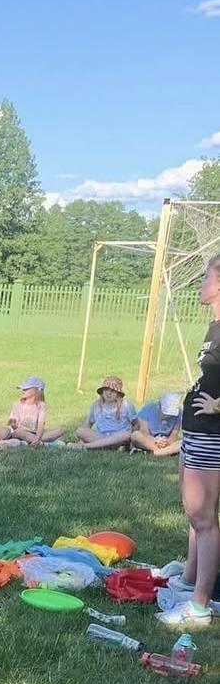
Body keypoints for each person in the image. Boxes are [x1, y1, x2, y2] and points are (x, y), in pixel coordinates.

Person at [161, 255, 220, 628]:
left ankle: (200, 605)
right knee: (194, 513)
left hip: (212, 436)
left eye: (205, 277)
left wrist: (218, 405)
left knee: (204, 518)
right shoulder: (214, 326)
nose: (200, 284)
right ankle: (189, 579)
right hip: (196, 432)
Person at [0, 377, 64, 447]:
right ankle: (43, 443)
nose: (23, 390)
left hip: (34, 432)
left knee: (60, 431)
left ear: (36, 391)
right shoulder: (17, 404)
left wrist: (38, 437)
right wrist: (13, 424)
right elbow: (12, 424)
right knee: (19, 432)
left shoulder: (41, 406)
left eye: (26, 389)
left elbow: (40, 425)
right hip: (19, 432)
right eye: (23, 389)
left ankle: (32, 442)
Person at [73, 378, 137, 451]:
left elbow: (135, 424)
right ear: (102, 391)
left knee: (126, 435)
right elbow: (88, 423)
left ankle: (86, 446)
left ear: (118, 393)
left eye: (113, 391)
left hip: (119, 437)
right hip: (100, 435)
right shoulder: (96, 405)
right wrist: (82, 438)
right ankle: (111, 446)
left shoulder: (126, 405)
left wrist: (132, 442)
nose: (109, 393)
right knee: (80, 431)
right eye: (106, 390)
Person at [132, 391, 182, 457]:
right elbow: (144, 433)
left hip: (167, 442)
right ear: (159, 406)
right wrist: (156, 440)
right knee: (136, 435)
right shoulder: (147, 410)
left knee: (182, 442)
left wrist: (166, 442)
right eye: (165, 413)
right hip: (149, 440)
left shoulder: (178, 414)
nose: (167, 416)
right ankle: (165, 452)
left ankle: (157, 452)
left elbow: (174, 435)